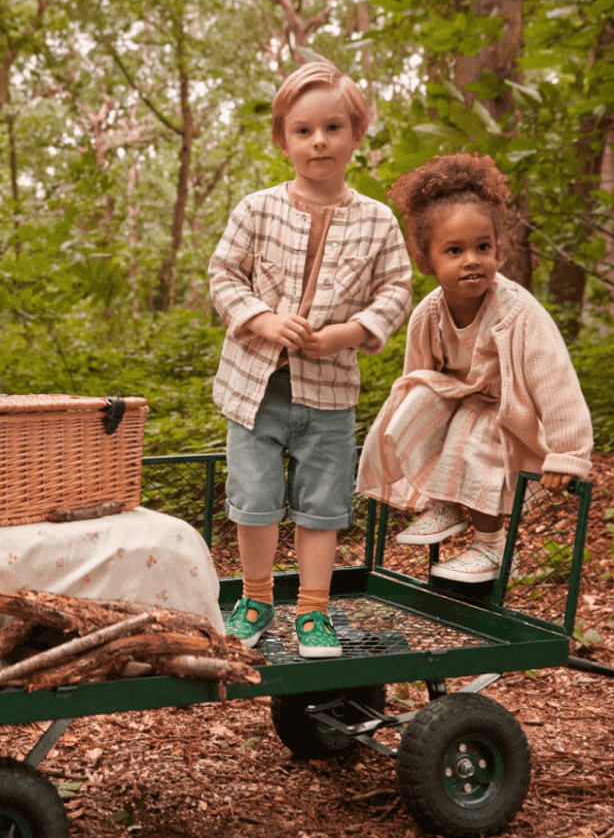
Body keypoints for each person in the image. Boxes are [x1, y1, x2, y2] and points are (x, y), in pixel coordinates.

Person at [209, 60, 413, 657]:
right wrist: (263, 319)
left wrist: (349, 331)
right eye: (303, 130)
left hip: (328, 391)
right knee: (254, 497)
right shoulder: (256, 209)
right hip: (255, 385)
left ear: (356, 134)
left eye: (332, 128)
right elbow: (224, 273)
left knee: (323, 504)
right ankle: (254, 598)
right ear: (283, 140)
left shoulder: (377, 221)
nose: (318, 141)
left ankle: (314, 613)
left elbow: (397, 289)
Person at [356, 152, 592, 582]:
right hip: (456, 410)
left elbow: (556, 382)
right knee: (414, 399)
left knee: (477, 429)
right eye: (455, 250)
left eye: (483, 247)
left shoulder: (518, 313)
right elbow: (417, 384)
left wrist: (569, 454)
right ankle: (442, 503)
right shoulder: (428, 315)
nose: (471, 260)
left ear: (498, 249)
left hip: (507, 420)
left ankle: (492, 547)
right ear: (428, 262)